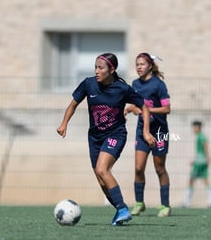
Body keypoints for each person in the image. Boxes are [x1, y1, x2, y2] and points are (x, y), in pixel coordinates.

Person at [57, 53, 155, 226]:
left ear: (112, 69)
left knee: (103, 169)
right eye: (95, 67)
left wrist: (146, 132)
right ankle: (119, 209)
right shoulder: (88, 84)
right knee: (100, 176)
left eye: (100, 68)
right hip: (94, 138)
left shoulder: (122, 89)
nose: (96, 71)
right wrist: (64, 124)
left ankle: (123, 209)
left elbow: (144, 108)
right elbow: (73, 104)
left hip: (116, 134)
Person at [124, 52, 172, 217]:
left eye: (142, 64)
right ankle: (139, 203)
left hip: (159, 132)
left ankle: (165, 205)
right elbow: (136, 106)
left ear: (150, 66)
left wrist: (146, 110)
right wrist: (132, 108)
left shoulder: (158, 85)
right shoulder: (135, 84)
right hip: (141, 132)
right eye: (137, 64)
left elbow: (167, 109)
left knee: (159, 168)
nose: (139, 67)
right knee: (138, 168)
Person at [183, 120, 211, 208]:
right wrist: (207, 158)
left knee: (191, 180)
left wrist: (206, 157)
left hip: (199, 162)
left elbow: (205, 147)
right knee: (206, 180)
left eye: (194, 127)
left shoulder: (200, 137)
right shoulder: (201, 136)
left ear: (198, 127)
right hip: (202, 161)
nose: (193, 129)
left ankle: (186, 202)